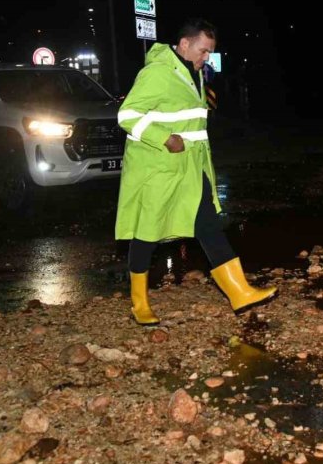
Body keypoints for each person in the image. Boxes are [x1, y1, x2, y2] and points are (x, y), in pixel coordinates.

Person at [115, 18, 276, 325]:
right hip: (159, 167)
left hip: (192, 166)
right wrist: (164, 137)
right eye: (203, 51)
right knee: (146, 231)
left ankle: (239, 292)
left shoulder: (194, 73)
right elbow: (128, 114)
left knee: (207, 224)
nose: (207, 57)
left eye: (210, 52)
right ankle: (139, 303)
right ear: (185, 44)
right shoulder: (158, 72)